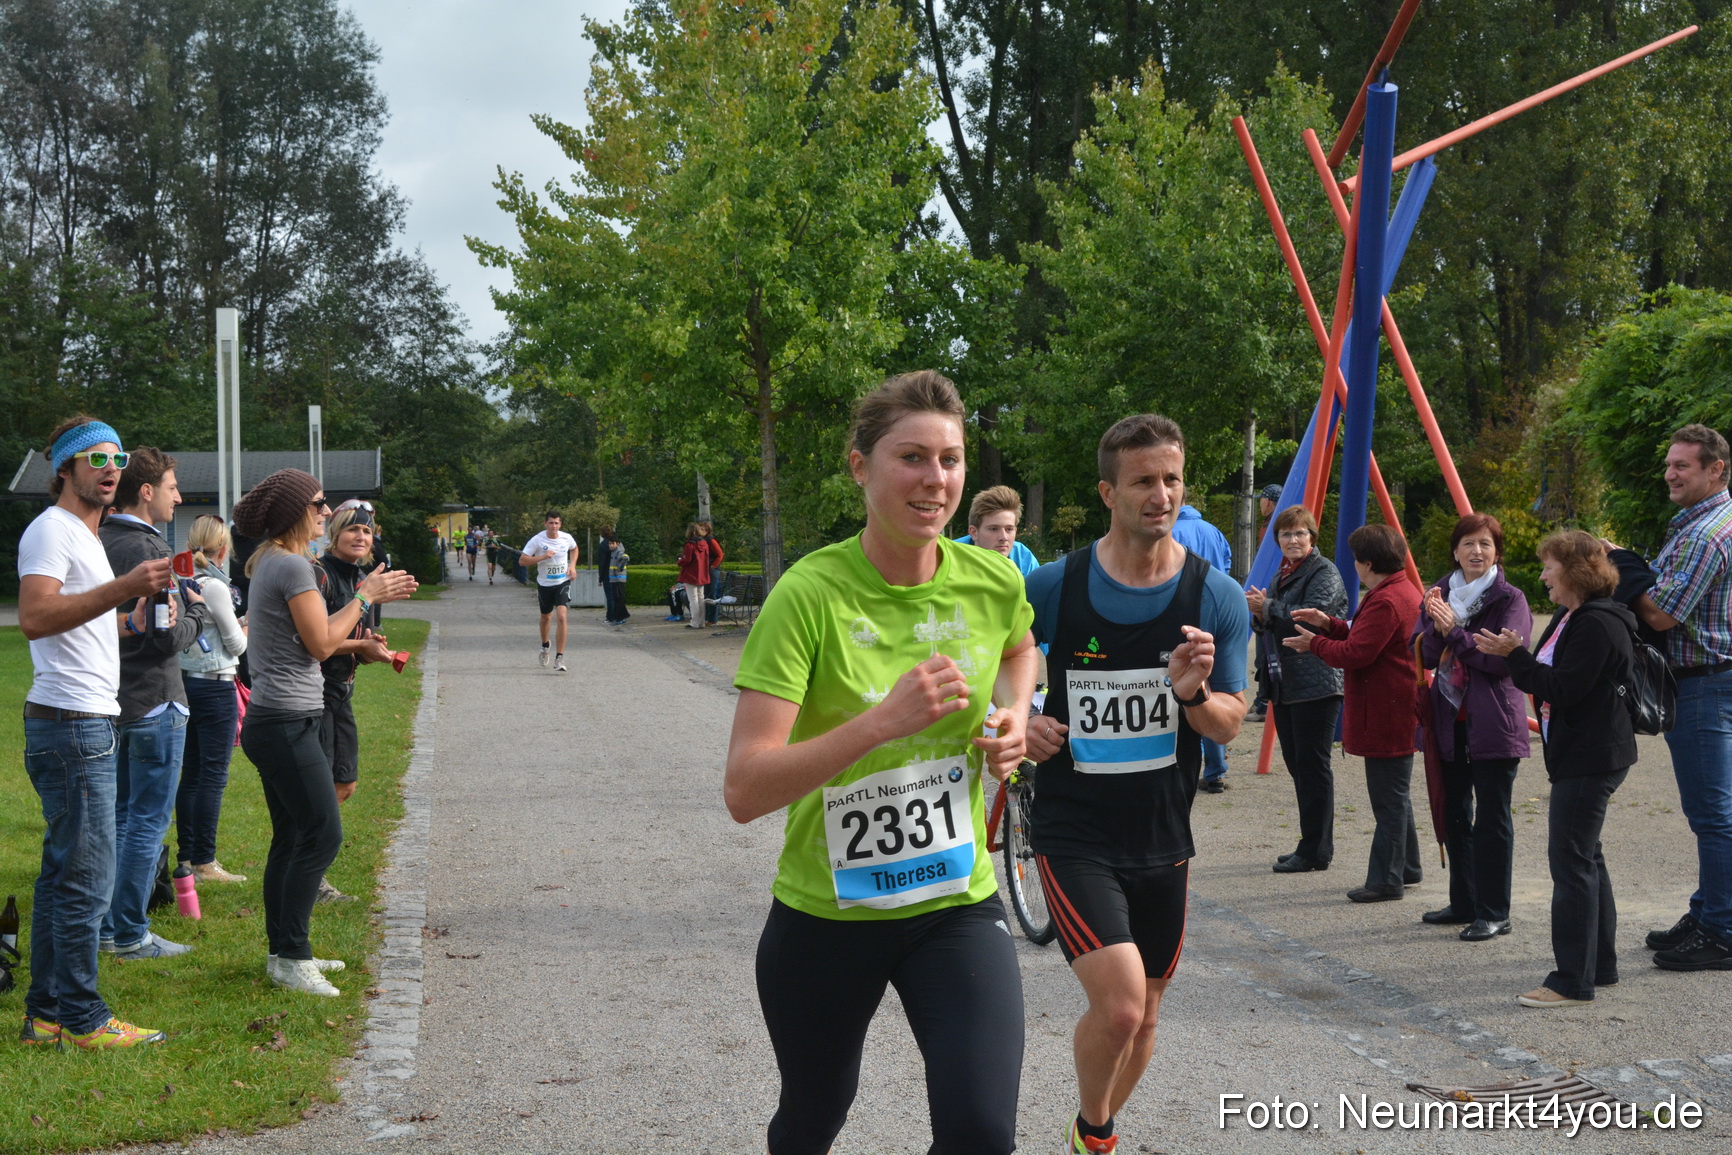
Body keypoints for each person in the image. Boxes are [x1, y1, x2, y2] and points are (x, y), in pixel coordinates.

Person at [724, 370, 1037, 1155]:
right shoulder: (810, 594)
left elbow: (1021, 647)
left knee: (981, 1132)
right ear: (860, 466)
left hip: (954, 901)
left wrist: (1014, 716)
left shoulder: (993, 579)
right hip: (828, 915)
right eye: (912, 457)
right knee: (812, 1117)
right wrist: (878, 723)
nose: (936, 480)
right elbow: (745, 786)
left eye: (952, 459)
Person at [1023, 414, 1248, 1155]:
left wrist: (1191, 694)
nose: (1162, 494)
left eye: (1172, 479)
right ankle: (1097, 1133)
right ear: (1107, 492)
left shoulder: (1215, 596)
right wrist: (1020, 719)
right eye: (1144, 480)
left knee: (1148, 1016)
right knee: (1119, 1008)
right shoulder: (1053, 585)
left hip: (1162, 836)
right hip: (1071, 828)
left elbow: (1228, 724)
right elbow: (1002, 664)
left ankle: (1088, 1132)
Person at [17, 417, 179, 1049]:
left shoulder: (84, 535)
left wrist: (128, 620)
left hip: (85, 720)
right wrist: (124, 585)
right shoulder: (51, 530)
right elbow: (35, 616)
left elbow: (77, 624)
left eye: (117, 457)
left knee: (64, 874)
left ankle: (46, 1015)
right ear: (65, 469)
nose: (111, 467)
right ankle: (82, 1019)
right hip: (71, 725)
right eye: (95, 458)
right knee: (86, 879)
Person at [234, 470, 416, 996]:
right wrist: (364, 595)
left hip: (280, 718)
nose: (325, 511)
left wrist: (359, 638)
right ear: (297, 512)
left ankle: (284, 954)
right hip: (286, 722)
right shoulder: (290, 565)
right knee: (323, 832)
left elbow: (321, 640)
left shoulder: (273, 560)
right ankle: (292, 956)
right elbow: (318, 643)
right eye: (318, 504)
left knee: (291, 837)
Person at [1477, 531, 1635, 1005]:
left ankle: (1571, 981)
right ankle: (1598, 965)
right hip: (1580, 754)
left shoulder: (1595, 623)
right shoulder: (1573, 617)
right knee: (1586, 860)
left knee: (1570, 865)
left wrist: (1514, 657)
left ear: (1575, 573)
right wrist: (1518, 657)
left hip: (1591, 757)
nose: (1543, 575)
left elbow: (1564, 689)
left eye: (1549, 566)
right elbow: (1550, 679)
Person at [1608, 424, 1732, 971]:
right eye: (1669, 464)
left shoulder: (1708, 534)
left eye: (1683, 465)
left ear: (1715, 470)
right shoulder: (1700, 523)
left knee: (1713, 815)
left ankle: (1722, 930)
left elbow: (1660, 614)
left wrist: (1624, 568)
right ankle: (1708, 910)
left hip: (1704, 681)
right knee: (1715, 811)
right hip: (1705, 677)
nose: (1670, 474)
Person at [98, 446, 210, 960]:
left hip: (113, 700)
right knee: (145, 821)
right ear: (146, 492)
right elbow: (163, 637)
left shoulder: (98, 539)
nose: (178, 497)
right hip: (156, 700)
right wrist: (198, 612)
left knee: (118, 819)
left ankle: (106, 926)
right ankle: (130, 932)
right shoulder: (147, 550)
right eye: (171, 487)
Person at [1284, 524, 1423, 903]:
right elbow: (1364, 637)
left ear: (1366, 563)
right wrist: (1330, 624)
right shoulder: (1399, 590)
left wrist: (1316, 643)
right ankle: (1406, 866)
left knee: (1388, 799)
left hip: (1386, 710)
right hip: (1393, 707)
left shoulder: (1386, 599)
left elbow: (1357, 654)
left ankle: (1386, 879)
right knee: (1396, 794)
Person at [1415, 513, 1533, 941]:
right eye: (1468, 543)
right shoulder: (1438, 593)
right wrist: (1437, 628)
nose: (1476, 552)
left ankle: (1495, 911)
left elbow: (1501, 660)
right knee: (1456, 813)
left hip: (1494, 723)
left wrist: (1455, 632)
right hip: (1448, 719)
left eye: (1485, 543)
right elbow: (1424, 655)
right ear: (1455, 550)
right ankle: (1463, 901)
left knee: (1493, 818)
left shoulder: (1511, 598)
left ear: (1497, 551)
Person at [1247, 505, 1346, 873]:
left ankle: (1317, 850)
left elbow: (1313, 615)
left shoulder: (1325, 571)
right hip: (1285, 682)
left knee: (1313, 766)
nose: (1292, 540)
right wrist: (1261, 615)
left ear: (1312, 537)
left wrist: (1268, 606)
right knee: (1297, 765)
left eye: (1299, 533)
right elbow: (1271, 625)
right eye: (1286, 534)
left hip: (1318, 680)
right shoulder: (1281, 576)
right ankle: (1309, 844)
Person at [315, 502, 396, 903]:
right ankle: (312, 877)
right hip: (315, 696)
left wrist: (370, 649)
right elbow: (314, 642)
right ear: (334, 534)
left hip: (342, 693)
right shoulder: (320, 575)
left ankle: (311, 868)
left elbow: (357, 642)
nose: (361, 538)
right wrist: (358, 643)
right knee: (320, 790)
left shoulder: (366, 580)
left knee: (344, 784)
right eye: (352, 530)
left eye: (367, 532)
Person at [176, 514, 249, 885]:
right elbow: (237, 644)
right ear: (224, 548)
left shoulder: (182, 579)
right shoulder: (216, 587)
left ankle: (186, 856)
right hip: (216, 684)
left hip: (187, 682)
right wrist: (247, 625)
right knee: (213, 776)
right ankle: (205, 860)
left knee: (191, 774)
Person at [1169, 499, 1237, 794]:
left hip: (1181, 617)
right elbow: (1227, 564)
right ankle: (1216, 770)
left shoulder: (1169, 531)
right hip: (1215, 614)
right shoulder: (1213, 530)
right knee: (1214, 693)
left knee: (1187, 688)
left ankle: (1185, 762)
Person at [519, 512, 577, 672]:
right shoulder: (537, 540)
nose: (554, 526)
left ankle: (559, 658)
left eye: (557, 523)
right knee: (546, 617)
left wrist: (572, 566)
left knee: (562, 616)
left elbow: (574, 548)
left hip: (562, 582)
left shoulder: (566, 538)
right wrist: (543, 557)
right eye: (551, 523)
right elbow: (522, 560)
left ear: (561, 524)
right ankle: (545, 646)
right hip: (545, 584)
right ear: (545, 524)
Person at [1248, 484, 1286, 722]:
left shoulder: (1276, 527)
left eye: (1261, 499)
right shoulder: (1270, 525)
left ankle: (1264, 701)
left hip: (1272, 595)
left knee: (1267, 648)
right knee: (1264, 647)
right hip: (1269, 593)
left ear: (1269, 501)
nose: (1259, 503)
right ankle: (1262, 699)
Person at [957, 485, 1039, 576]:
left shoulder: (1024, 558)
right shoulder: (951, 558)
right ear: (974, 532)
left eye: (1009, 529)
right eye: (994, 529)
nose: (1003, 537)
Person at [678, 522, 722, 631]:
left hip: (691, 573)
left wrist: (680, 561)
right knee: (701, 598)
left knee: (693, 599)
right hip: (702, 573)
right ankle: (701, 622)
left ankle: (695, 622)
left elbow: (687, 559)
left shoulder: (690, 544)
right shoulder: (704, 543)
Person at [604, 532, 631, 626]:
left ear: (617, 544)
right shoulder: (614, 552)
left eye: (612, 543)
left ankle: (620, 618)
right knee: (617, 598)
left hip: (619, 579)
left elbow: (626, 558)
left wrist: (620, 567)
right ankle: (621, 616)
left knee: (619, 599)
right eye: (609, 543)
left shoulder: (619, 552)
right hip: (615, 579)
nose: (610, 545)